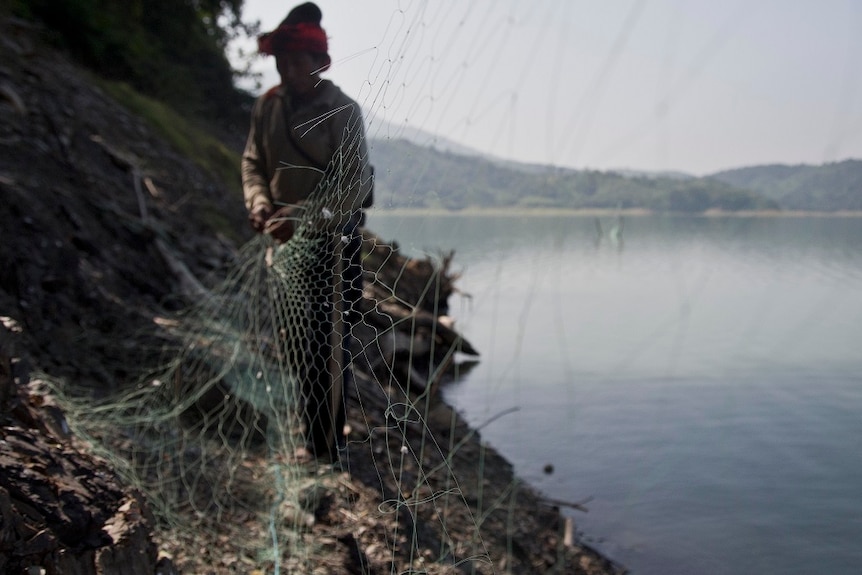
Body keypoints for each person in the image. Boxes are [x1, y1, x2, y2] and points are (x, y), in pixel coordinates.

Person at [241, 2, 373, 461]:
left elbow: (354, 186)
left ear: (320, 62)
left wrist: (301, 217)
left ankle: (327, 444)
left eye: (299, 60)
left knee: (329, 345)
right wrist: (259, 203)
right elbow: (253, 162)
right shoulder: (268, 107)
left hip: (333, 247)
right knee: (296, 344)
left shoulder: (343, 111)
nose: (289, 69)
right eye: (283, 61)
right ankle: (314, 434)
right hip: (284, 245)